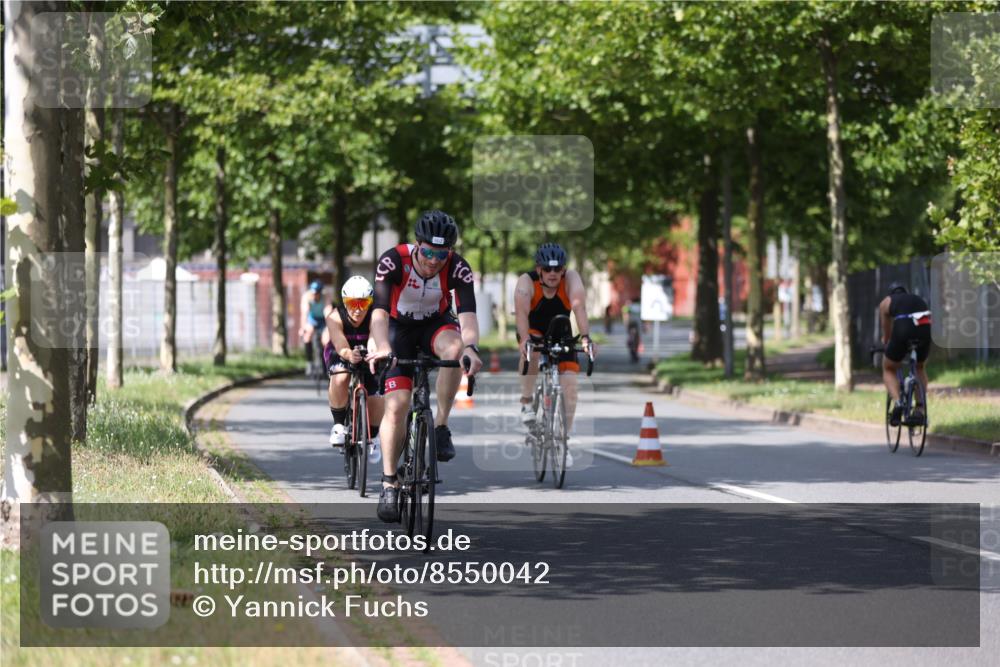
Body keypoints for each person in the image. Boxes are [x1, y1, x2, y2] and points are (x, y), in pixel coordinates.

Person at [367, 210, 483, 523]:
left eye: (441, 254)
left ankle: (441, 426)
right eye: (429, 252)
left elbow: (467, 316)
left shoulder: (458, 268)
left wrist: (471, 348)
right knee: (397, 406)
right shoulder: (393, 261)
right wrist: (383, 346)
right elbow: (379, 313)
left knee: (455, 349)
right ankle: (389, 483)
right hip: (397, 329)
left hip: (435, 324)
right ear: (417, 245)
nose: (434, 261)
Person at [514, 243, 595, 467]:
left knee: (570, 387)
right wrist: (524, 340)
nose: (552, 274)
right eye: (547, 269)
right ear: (538, 269)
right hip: (532, 329)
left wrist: (586, 338)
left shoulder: (571, 279)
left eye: (557, 269)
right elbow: (521, 314)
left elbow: (579, 308)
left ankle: (562, 441)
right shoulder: (526, 282)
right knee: (531, 352)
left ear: (563, 269)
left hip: (560, 330)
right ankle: (527, 401)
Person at [325, 276, 384, 459]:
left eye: (363, 303)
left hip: (368, 351)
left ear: (370, 302)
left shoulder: (376, 314)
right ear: (345, 302)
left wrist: (371, 354)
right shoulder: (335, 316)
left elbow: (374, 337)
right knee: (341, 376)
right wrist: (349, 354)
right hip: (341, 350)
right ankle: (339, 425)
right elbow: (340, 343)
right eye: (352, 303)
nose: (358, 309)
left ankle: (373, 436)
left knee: (377, 395)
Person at [879, 281, 932, 426]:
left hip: (903, 329)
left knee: (889, 368)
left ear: (891, 293)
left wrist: (885, 342)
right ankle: (920, 408)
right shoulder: (918, 299)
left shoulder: (886, 302)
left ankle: (898, 403)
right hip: (924, 330)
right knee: (920, 367)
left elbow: (887, 332)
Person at [299, 281, 327, 375]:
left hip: (323, 320)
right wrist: (303, 328)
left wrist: (329, 328)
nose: (315, 295)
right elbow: (304, 313)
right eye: (313, 293)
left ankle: (325, 363)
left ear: (320, 292)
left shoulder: (325, 296)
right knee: (308, 335)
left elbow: (328, 311)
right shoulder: (306, 297)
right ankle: (309, 362)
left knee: (325, 339)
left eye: (317, 293)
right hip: (312, 319)